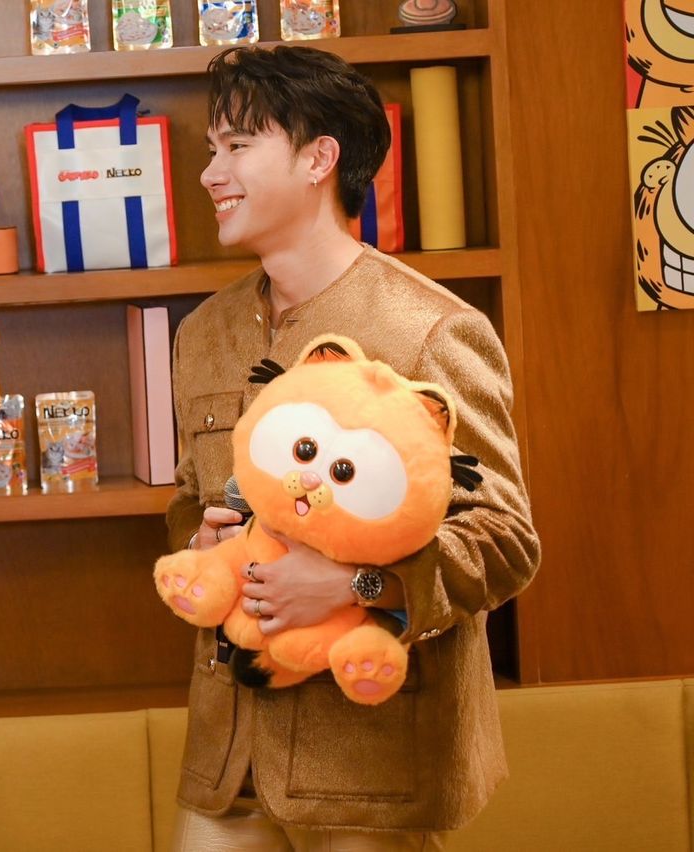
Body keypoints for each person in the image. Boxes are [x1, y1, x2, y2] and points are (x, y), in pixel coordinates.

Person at [166, 45, 540, 849]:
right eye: (211, 149)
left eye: (237, 146)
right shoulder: (202, 335)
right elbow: (187, 499)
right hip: (226, 761)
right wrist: (199, 543)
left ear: (319, 160)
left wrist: (357, 586)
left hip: (375, 768)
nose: (210, 173)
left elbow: (505, 541)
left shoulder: (434, 331)